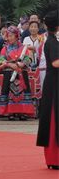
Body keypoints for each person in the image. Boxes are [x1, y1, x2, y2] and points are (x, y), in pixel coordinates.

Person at [36, 11, 59, 169]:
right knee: (54, 118)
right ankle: (54, 158)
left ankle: (53, 159)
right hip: (54, 84)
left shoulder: (50, 40)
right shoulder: (52, 42)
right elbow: (56, 63)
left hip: (53, 82)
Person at [0, 26, 35, 120]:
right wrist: (11, 65)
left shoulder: (23, 48)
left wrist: (22, 64)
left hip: (21, 73)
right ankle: (10, 112)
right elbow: (1, 60)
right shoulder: (5, 49)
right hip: (9, 74)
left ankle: (23, 112)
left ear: (16, 36)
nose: (9, 38)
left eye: (11, 35)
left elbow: (28, 58)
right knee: (10, 93)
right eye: (8, 36)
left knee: (22, 93)